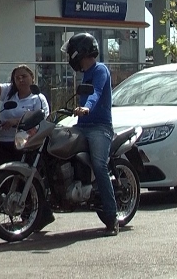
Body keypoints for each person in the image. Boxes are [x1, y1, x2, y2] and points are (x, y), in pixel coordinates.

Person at [61, 32, 118, 236]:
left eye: (71, 54)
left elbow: (95, 92)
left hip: (100, 127)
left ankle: (112, 219)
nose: (70, 59)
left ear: (80, 53)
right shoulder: (84, 74)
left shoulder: (100, 70)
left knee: (100, 166)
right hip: (82, 125)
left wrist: (87, 108)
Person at [0, 65, 49, 173]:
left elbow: (40, 120)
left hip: (25, 146)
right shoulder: (9, 92)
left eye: (24, 76)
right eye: (17, 78)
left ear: (32, 77)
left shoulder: (38, 98)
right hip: (3, 143)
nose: (20, 80)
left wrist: (17, 121)